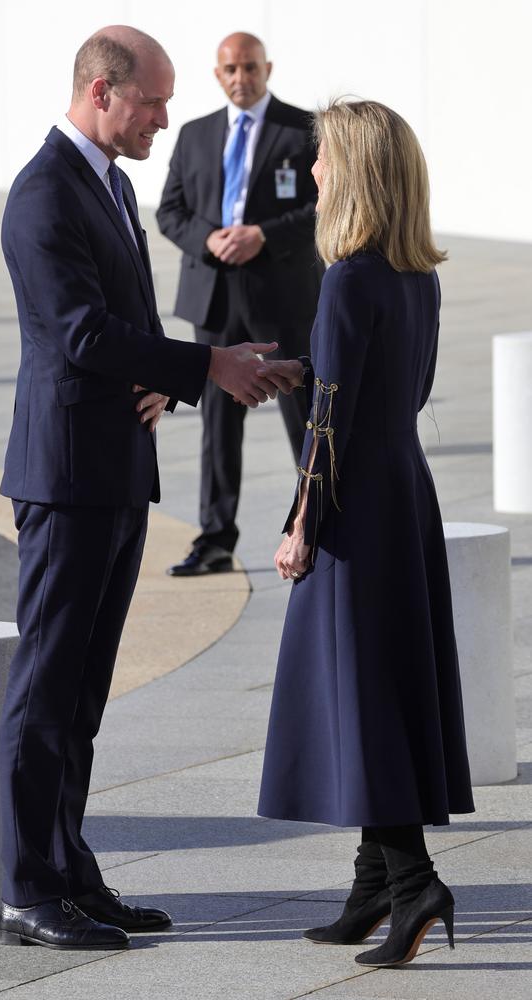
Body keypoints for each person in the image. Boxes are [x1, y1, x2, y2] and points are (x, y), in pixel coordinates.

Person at [0, 25, 299, 952]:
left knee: (85, 690)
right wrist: (205, 363)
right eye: (153, 102)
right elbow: (79, 334)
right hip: (67, 478)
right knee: (46, 688)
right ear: (100, 91)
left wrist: (168, 375)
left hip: (115, 470)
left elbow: (124, 325)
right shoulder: (43, 192)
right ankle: (24, 888)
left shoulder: (111, 183)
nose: (167, 119)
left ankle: (69, 869)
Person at [257, 99, 475, 968]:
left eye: (320, 161)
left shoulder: (348, 277)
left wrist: (300, 523)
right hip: (401, 488)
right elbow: (390, 390)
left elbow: (328, 420)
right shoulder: (414, 272)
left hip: (353, 503)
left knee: (360, 692)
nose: (309, 173)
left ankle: (415, 882)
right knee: (381, 679)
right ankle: (372, 886)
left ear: (351, 170)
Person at [157, 32, 322, 577]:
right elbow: (171, 211)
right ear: (217, 74)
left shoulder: (303, 130)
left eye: (250, 67)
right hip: (215, 297)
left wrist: (264, 235)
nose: (240, 78)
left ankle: (317, 524)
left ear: (267, 68)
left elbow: (325, 206)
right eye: (231, 69)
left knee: (308, 418)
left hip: (282, 297)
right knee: (217, 430)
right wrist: (208, 238)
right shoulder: (195, 134)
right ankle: (216, 540)